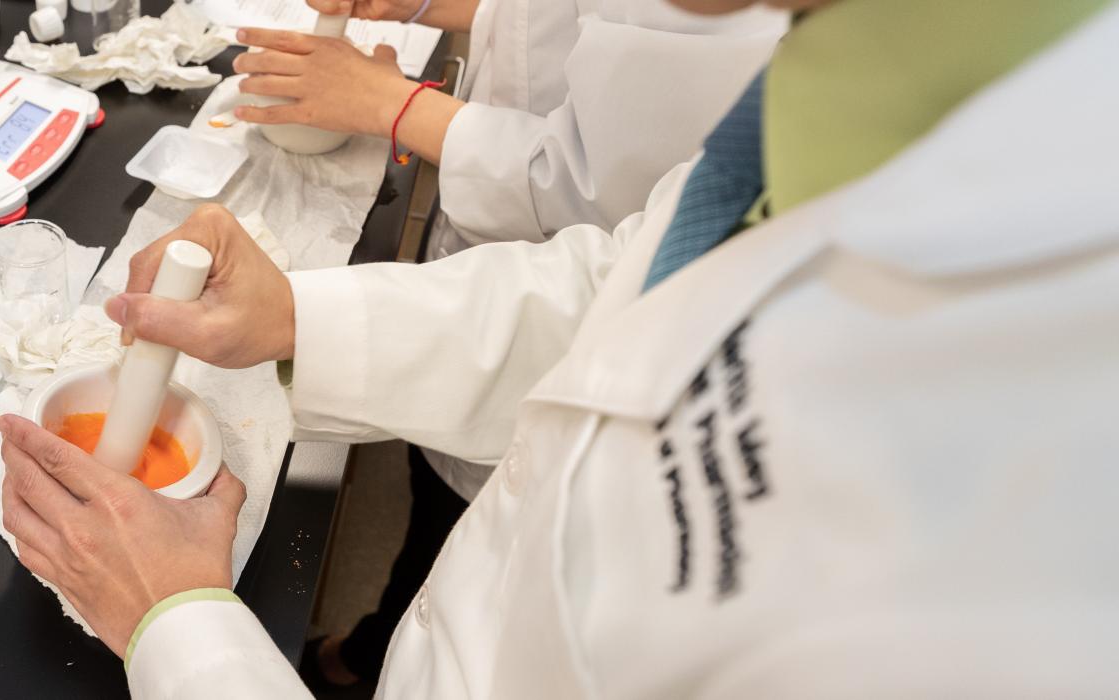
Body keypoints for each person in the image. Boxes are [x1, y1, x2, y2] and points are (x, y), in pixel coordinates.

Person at [0, 0, 1119, 696]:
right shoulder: (873, 72)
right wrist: (302, 317)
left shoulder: (1024, 536)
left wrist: (180, 634)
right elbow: (625, 291)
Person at [236, 4, 784, 680]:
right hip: (510, 313)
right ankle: (373, 645)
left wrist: (393, 103)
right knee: (436, 524)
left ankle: (366, 650)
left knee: (454, 532)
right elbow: (616, 272)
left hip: (558, 433)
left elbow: (595, 193)